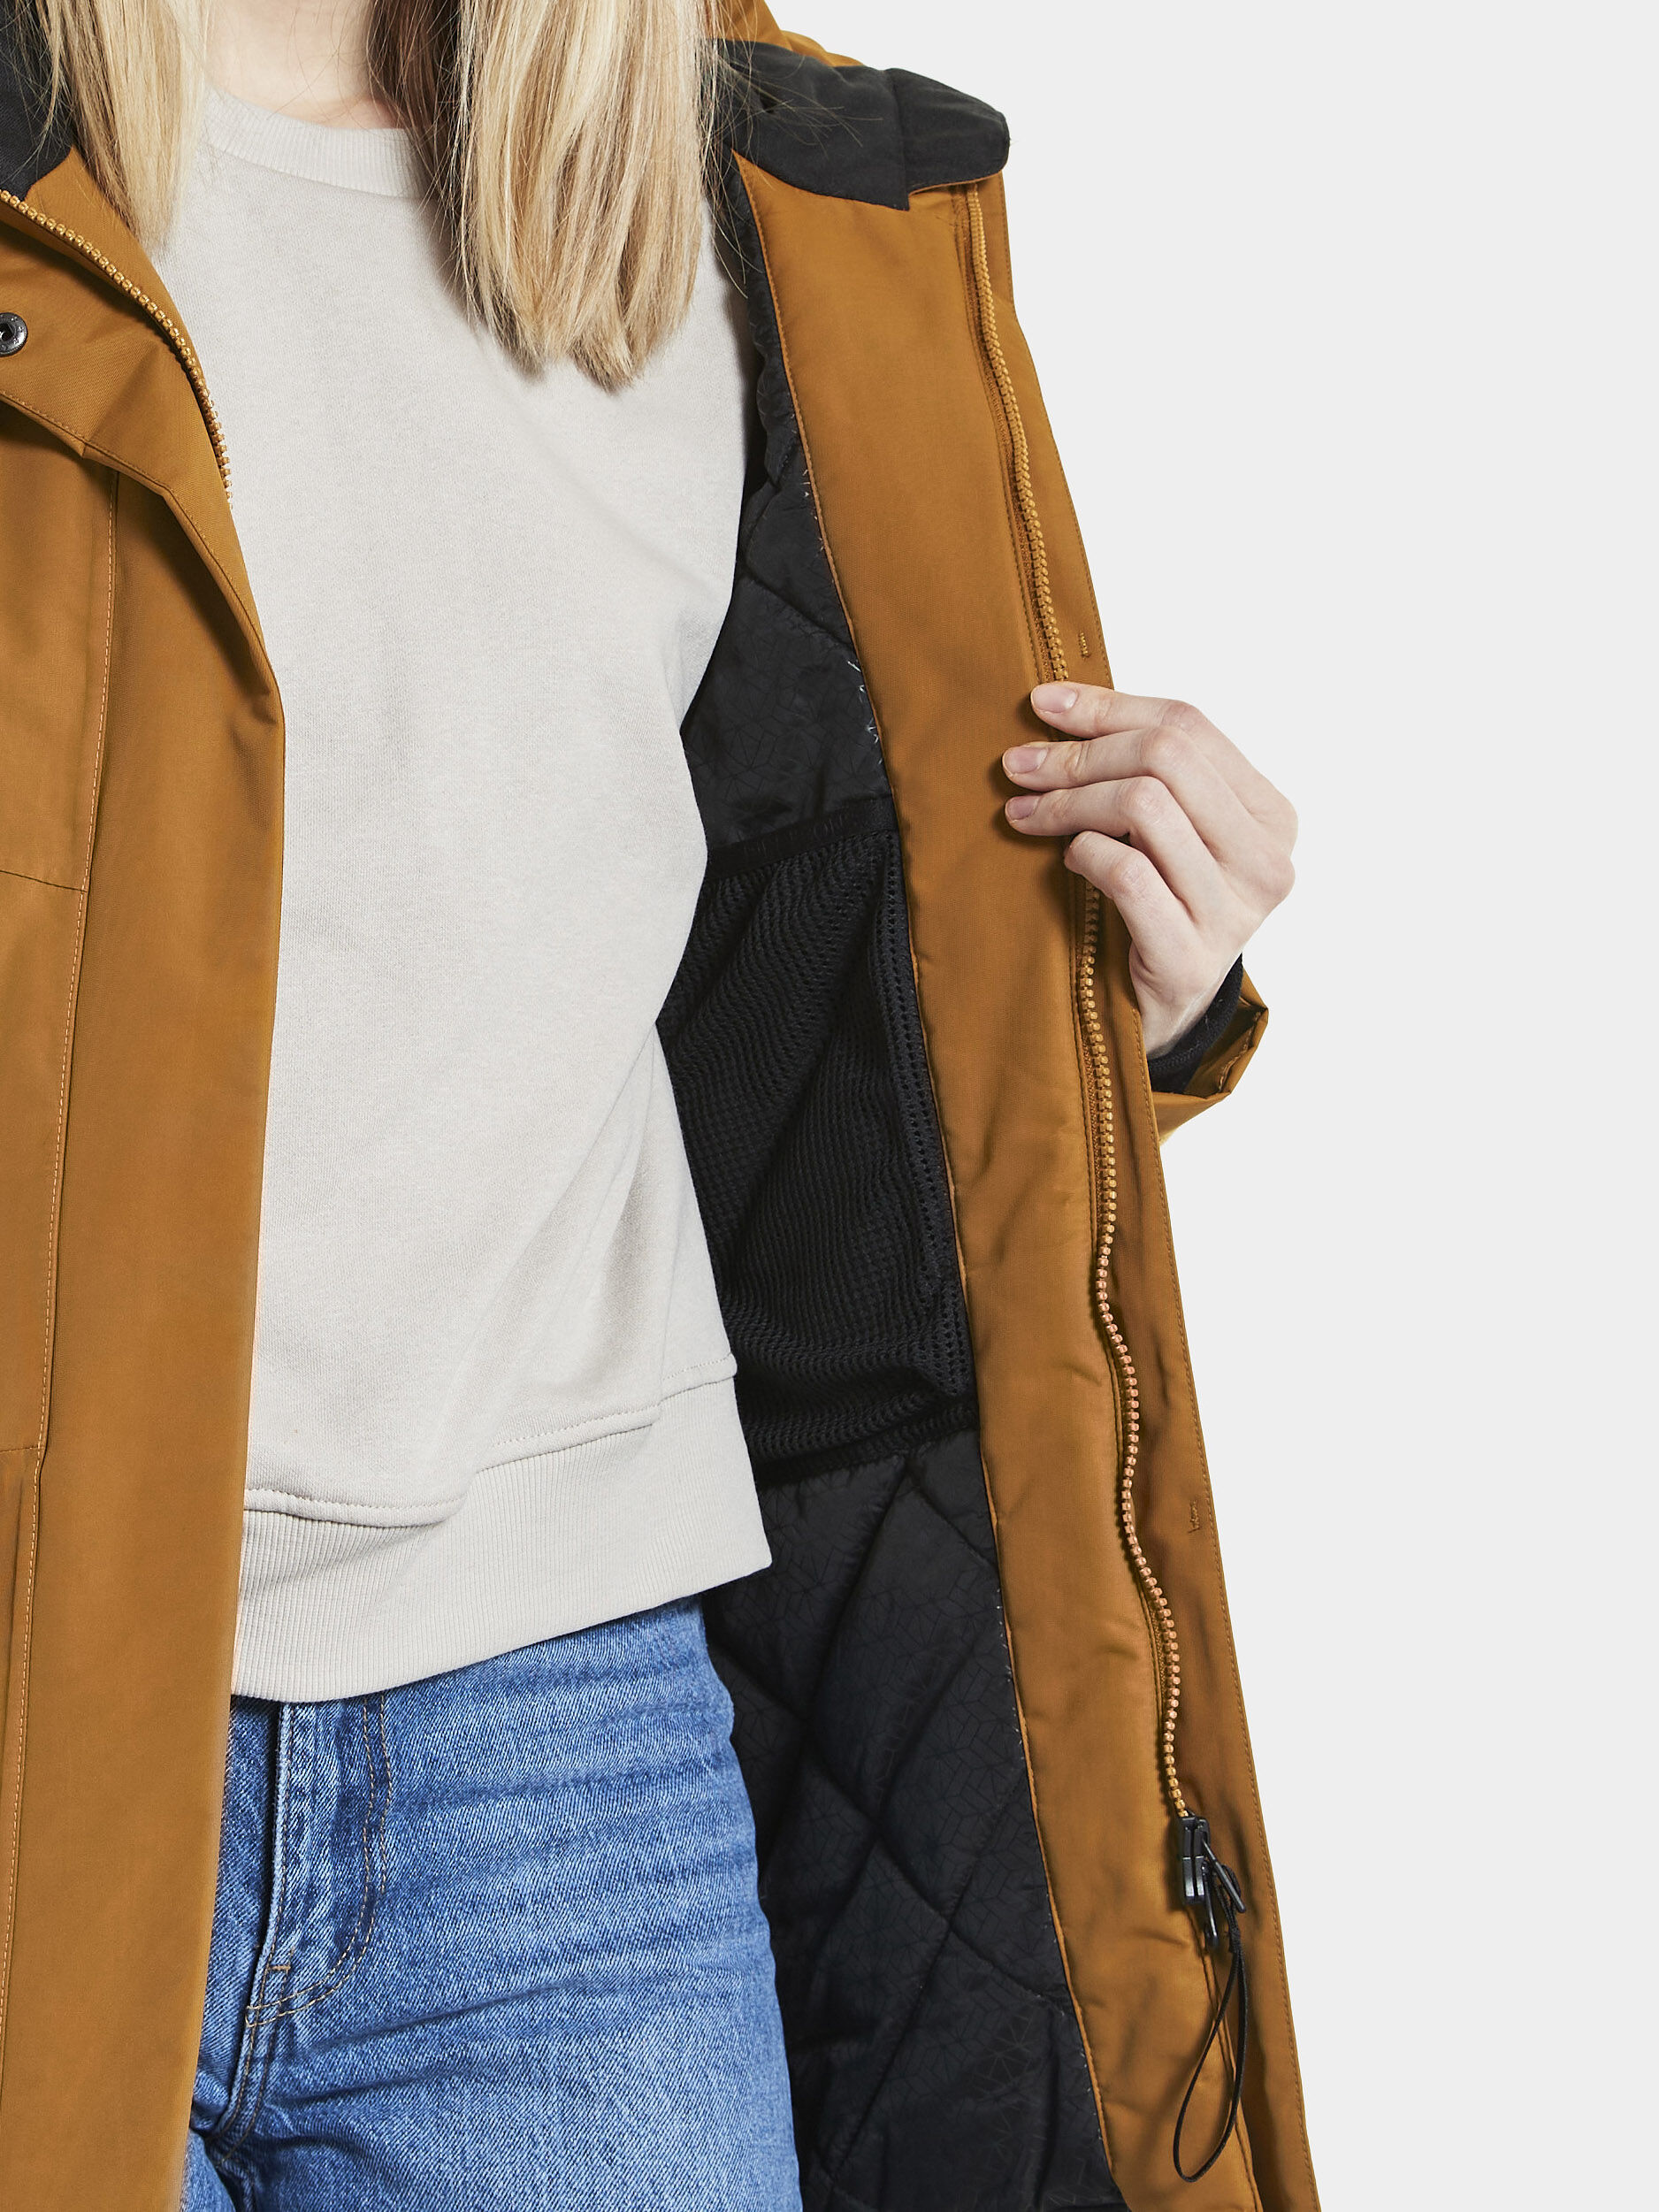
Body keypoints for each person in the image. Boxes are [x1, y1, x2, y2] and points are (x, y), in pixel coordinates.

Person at [0, 0, 1315, 2206]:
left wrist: (1120, 1001)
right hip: (48, 1665)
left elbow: (782, 997)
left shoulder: (756, 198)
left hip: (567, 1754)